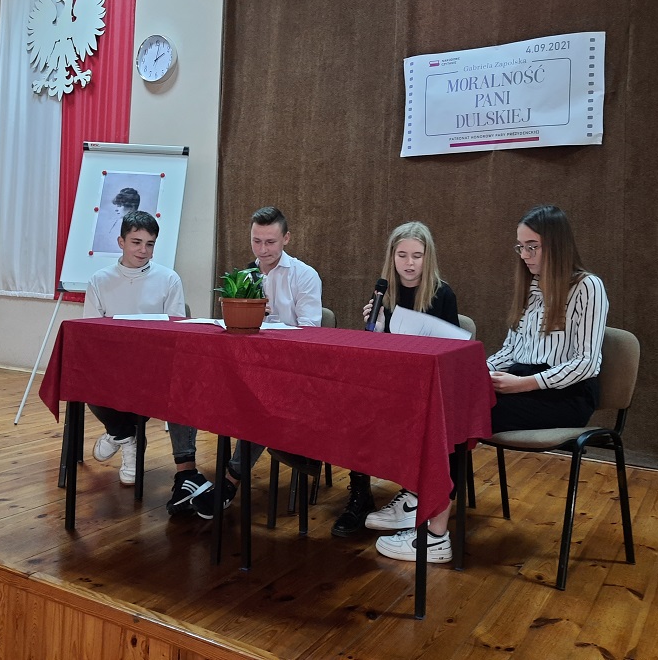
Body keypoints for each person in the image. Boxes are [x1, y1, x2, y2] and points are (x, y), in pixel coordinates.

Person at [374, 204, 608, 564]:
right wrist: (473, 371)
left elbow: (587, 362)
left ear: (557, 245)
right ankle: (422, 505)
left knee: (451, 415)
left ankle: (434, 533)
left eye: (533, 246)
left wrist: (525, 383)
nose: (525, 255)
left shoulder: (587, 287)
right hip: (521, 379)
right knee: (440, 402)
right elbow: (511, 350)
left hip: (565, 394)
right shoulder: (532, 287)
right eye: (521, 247)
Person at [190, 206, 323, 519]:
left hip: (290, 374)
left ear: (286, 239)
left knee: (261, 400)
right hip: (248, 368)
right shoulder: (244, 276)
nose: (262, 250)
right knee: (194, 382)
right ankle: (186, 473)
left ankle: (231, 479)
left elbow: (311, 333)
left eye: (270, 242)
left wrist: (268, 321)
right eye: (256, 241)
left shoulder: (304, 275)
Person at [332, 221, 460, 538]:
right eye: (402, 255)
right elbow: (374, 356)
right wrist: (376, 331)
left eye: (417, 256)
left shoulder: (443, 294)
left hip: (427, 389)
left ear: (428, 257)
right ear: (392, 257)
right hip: (389, 383)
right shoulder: (383, 292)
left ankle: (416, 494)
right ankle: (360, 493)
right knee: (354, 407)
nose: (409, 263)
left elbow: (453, 353)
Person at [84, 210, 213, 513]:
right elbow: (90, 332)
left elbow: (177, 331)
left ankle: (120, 434)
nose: (143, 250)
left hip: (154, 366)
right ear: (121, 242)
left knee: (178, 384)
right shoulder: (99, 280)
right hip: (113, 366)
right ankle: (126, 437)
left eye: (150, 244)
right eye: (136, 242)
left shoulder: (168, 279)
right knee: (86, 378)